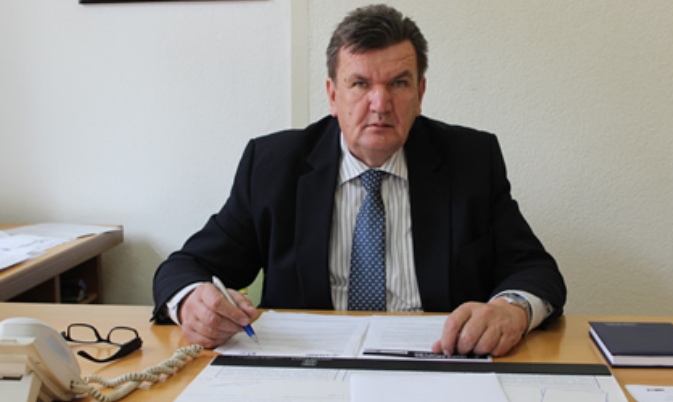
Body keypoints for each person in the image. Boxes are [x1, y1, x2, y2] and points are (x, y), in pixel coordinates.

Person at [152, 4, 566, 358]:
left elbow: (535, 269)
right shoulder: (274, 166)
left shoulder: (471, 160)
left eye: (398, 83)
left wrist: (511, 310)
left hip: (439, 361)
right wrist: (191, 302)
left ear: (420, 93)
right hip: (306, 369)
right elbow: (185, 267)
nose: (380, 104)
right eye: (360, 84)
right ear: (333, 95)